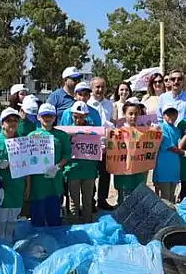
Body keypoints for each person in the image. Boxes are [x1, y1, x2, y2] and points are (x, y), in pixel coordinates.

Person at [0, 108, 29, 240]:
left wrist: (27, 186)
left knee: (12, 224)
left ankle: (9, 249)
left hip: (17, 188)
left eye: (15, 120)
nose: (12, 123)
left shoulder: (23, 142)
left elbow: (28, 167)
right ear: (2, 124)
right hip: (1, 188)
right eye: (8, 121)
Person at [29, 103, 71, 226]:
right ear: (38, 117)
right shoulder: (32, 136)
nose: (47, 118)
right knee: (37, 215)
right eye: (44, 116)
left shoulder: (61, 135)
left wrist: (58, 167)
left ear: (55, 117)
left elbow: (67, 154)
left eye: (50, 116)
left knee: (54, 214)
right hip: (38, 181)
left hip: (55, 179)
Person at [64, 101, 99, 222]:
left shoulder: (94, 130)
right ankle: (74, 223)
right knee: (73, 200)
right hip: (73, 169)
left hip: (89, 170)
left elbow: (100, 146)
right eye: (76, 116)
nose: (79, 119)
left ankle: (87, 222)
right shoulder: (67, 131)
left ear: (86, 115)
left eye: (82, 116)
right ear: (72, 115)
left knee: (87, 200)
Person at [88, 77, 115, 211]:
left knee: (105, 173)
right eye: (97, 87)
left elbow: (112, 121)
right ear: (92, 88)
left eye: (102, 87)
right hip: (92, 143)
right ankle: (90, 201)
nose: (100, 90)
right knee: (92, 173)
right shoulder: (87, 103)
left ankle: (102, 200)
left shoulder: (110, 104)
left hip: (107, 143)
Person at [114, 100, 150, 201]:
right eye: (130, 114)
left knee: (137, 199)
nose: (133, 116)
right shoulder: (117, 132)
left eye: (136, 114)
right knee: (124, 200)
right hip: (124, 173)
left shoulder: (144, 132)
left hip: (138, 172)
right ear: (124, 114)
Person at [154, 103, 186, 204]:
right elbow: (170, 147)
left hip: (174, 169)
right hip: (163, 169)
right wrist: (185, 153)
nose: (171, 116)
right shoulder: (161, 128)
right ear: (164, 115)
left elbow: (179, 146)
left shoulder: (177, 130)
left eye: (173, 113)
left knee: (171, 198)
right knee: (165, 198)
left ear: (177, 115)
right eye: (168, 114)